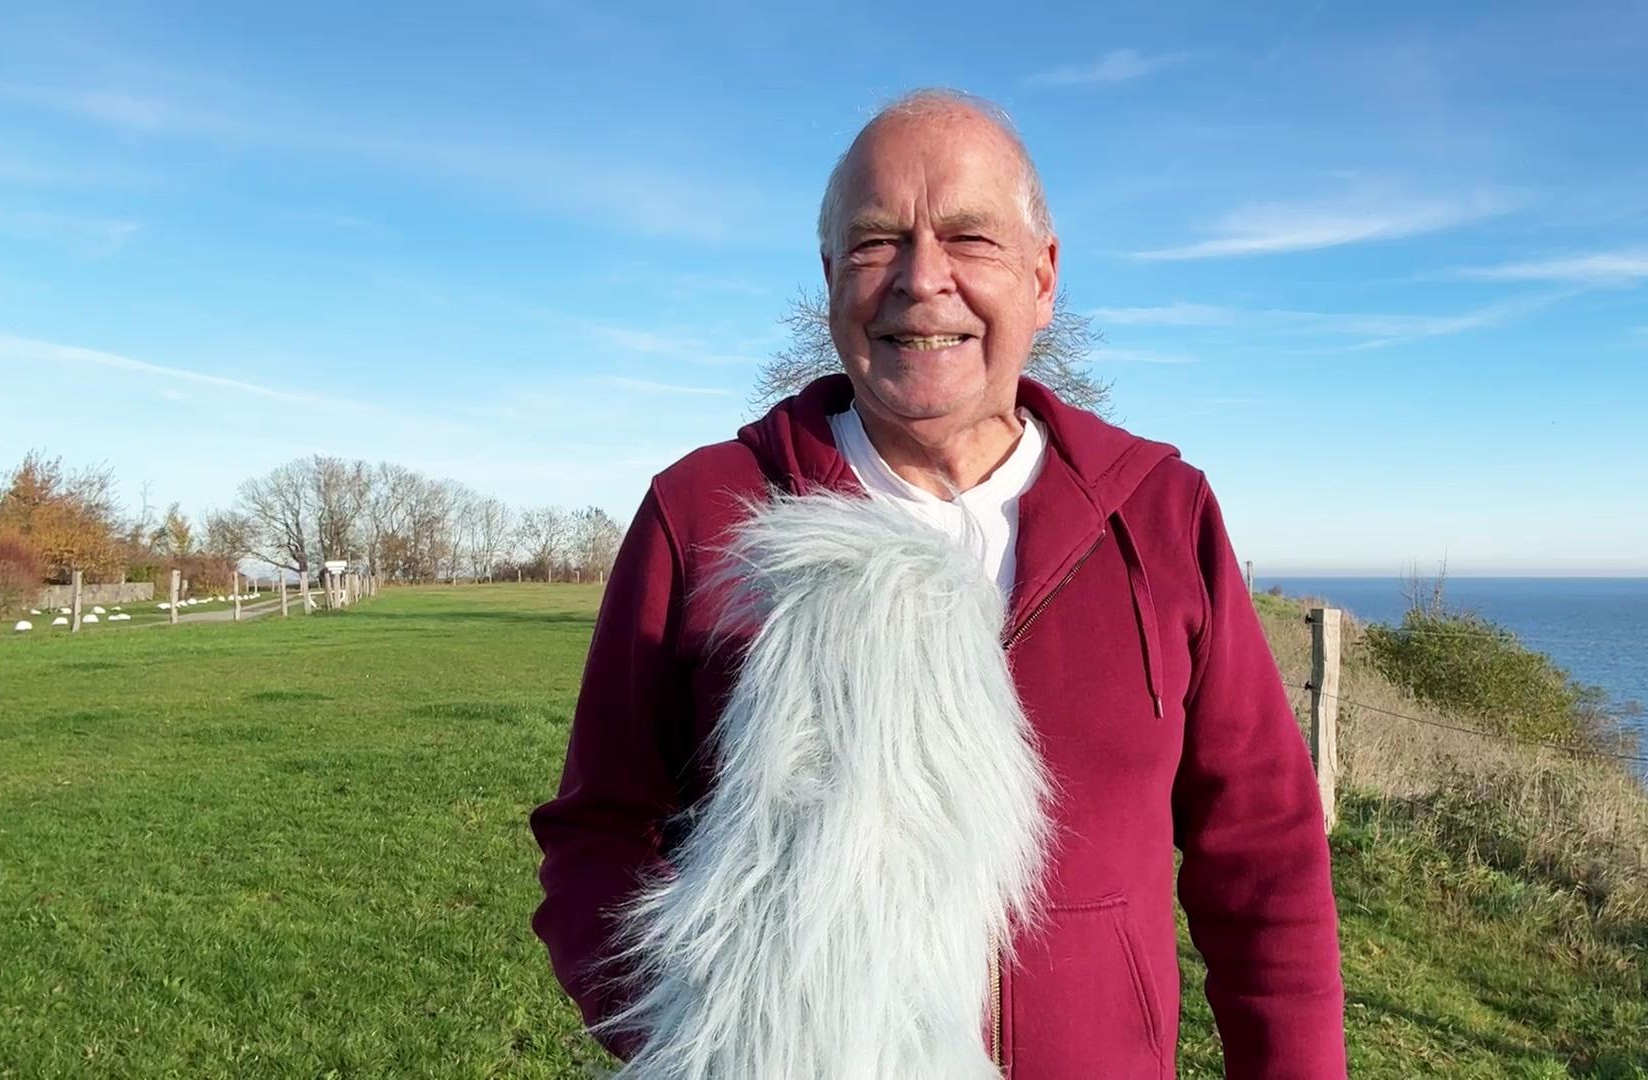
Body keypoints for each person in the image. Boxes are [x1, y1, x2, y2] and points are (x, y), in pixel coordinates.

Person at [529, 88, 1346, 1078]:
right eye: (877, 243)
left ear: (1043, 280)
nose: (923, 280)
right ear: (830, 280)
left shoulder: (1162, 516)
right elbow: (596, 832)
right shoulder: (705, 512)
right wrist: (705, 1038)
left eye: (970, 238)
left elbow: (1264, 861)